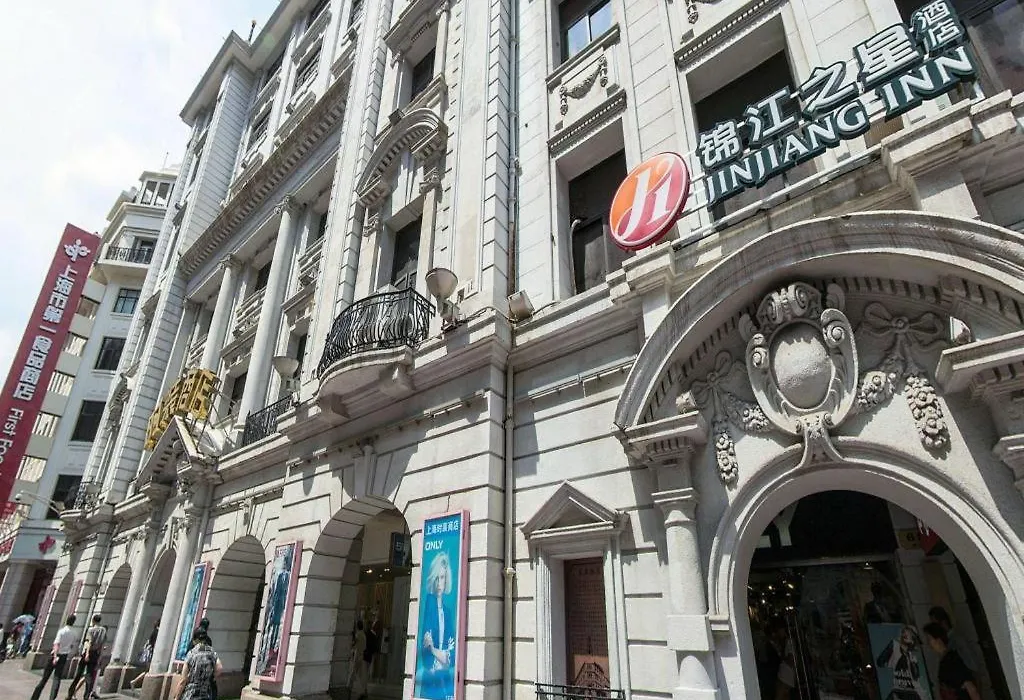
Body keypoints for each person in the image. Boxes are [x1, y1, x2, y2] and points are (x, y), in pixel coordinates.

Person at [416, 551, 456, 700]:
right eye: (437, 578)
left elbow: (452, 656)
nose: (440, 583)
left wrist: (433, 650)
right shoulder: (428, 607)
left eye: (442, 577)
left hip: (445, 682)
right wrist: (440, 655)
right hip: (430, 683)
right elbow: (425, 653)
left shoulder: (448, 612)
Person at [923, 622, 981, 700]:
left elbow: (971, 688)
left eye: (929, 639)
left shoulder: (951, 660)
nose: (928, 643)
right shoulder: (944, 661)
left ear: (938, 639)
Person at [31, 615, 79, 700]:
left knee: (45, 678)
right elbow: (72, 646)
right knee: (57, 678)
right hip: (64, 656)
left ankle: (35, 697)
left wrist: (55, 656)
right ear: (74, 622)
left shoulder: (62, 631)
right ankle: (52, 698)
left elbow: (56, 644)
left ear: (66, 620)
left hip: (55, 655)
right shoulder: (74, 633)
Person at [929, 606, 982, 675]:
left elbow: (973, 664)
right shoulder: (947, 641)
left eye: (935, 625)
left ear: (943, 622)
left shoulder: (956, 639)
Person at [66, 614, 106, 700]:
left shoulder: (91, 630)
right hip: (96, 654)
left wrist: (87, 654)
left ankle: (70, 694)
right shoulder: (103, 630)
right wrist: (100, 657)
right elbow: (102, 645)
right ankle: (86, 696)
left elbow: (89, 642)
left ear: (93, 621)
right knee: (89, 676)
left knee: (78, 674)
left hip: (88, 653)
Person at [174, 629, 221, 700]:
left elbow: (183, 680)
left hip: (191, 693)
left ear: (195, 640)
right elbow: (219, 668)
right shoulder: (212, 652)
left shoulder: (191, 653)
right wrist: (211, 677)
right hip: (205, 693)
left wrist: (176, 697)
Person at [131, 621, 160, 688]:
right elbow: (153, 644)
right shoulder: (156, 632)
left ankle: (134, 681)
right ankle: (135, 681)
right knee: (148, 670)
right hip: (150, 654)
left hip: (149, 654)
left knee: (147, 670)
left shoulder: (154, 631)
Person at [349, 620, 368, 700]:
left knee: (354, 672)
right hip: (361, 655)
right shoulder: (363, 634)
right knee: (359, 674)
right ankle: (363, 690)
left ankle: (354, 689)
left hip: (357, 655)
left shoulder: (358, 634)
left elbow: (354, 644)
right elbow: (364, 646)